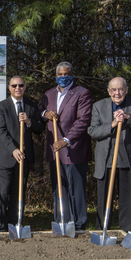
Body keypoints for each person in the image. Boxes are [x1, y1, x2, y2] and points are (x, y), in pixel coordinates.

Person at [88, 77, 131, 233]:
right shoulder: (98, 106)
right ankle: (102, 230)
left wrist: (129, 117)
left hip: (128, 159)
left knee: (128, 199)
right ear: (109, 91)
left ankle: (127, 231)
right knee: (103, 199)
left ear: (126, 89)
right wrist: (112, 125)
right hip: (106, 159)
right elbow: (92, 131)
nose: (117, 93)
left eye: (120, 89)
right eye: (113, 90)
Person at [40, 62, 92, 231]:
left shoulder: (82, 93)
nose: (63, 77)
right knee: (58, 187)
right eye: (60, 74)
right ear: (56, 76)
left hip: (73, 149)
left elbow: (83, 120)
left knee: (75, 188)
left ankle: (78, 224)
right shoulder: (49, 94)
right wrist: (44, 113)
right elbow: (40, 111)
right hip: (54, 150)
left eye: (66, 74)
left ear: (72, 74)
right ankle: (62, 220)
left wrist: (67, 140)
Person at [0, 76, 44, 231]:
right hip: (5, 157)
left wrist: (29, 122)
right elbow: (0, 131)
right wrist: (13, 149)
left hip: (24, 158)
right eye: (14, 85)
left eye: (20, 85)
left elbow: (40, 128)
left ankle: (14, 223)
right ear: (9, 88)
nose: (17, 88)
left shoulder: (31, 106)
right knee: (3, 191)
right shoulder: (1, 106)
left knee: (18, 192)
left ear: (25, 87)